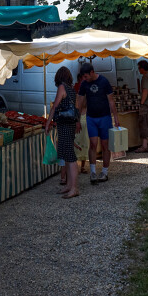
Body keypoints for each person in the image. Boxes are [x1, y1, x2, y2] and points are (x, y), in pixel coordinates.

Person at [77, 62, 118, 183]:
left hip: (104, 117)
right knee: (93, 144)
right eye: (83, 77)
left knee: (105, 145)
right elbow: (79, 103)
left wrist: (115, 117)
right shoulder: (84, 84)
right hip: (91, 118)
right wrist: (77, 119)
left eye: (85, 76)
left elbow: (111, 101)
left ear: (92, 72)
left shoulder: (104, 81)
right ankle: (93, 172)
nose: (84, 79)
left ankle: (105, 172)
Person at [46, 67, 82, 198]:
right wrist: (77, 122)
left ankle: (74, 188)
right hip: (70, 124)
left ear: (58, 77)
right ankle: (69, 185)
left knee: (70, 156)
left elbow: (55, 106)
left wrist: (48, 123)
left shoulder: (62, 87)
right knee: (67, 155)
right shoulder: (72, 90)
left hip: (65, 125)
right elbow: (77, 109)